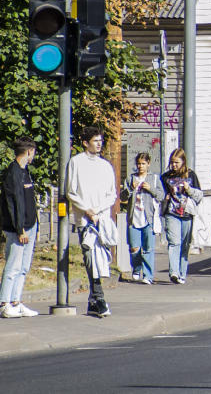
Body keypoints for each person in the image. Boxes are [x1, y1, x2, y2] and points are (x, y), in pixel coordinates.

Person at [67, 127, 118, 317]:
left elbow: (111, 194)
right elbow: (71, 191)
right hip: (85, 220)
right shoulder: (76, 162)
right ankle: (99, 297)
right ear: (85, 143)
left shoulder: (105, 166)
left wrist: (97, 210)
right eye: (95, 140)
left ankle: (93, 301)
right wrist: (88, 210)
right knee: (90, 258)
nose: (99, 144)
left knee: (102, 259)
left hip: (101, 218)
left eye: (100, 140)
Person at [1, 137, 40, 317]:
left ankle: (16, 302)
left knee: (23, 267)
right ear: (29, 151)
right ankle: (4, 304)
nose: (35, 154)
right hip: (19, 229)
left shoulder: (25, 171)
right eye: (34, 151)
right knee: (13, 267)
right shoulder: (13, 173)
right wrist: (20, 229)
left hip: (29, 226)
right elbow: (14, 202)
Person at [160, 148, 203, 284]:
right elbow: (160, 194)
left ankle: (182, 274)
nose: (174, 165)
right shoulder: (166, 177)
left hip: (187, 214)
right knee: (174, 242)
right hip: (171, 214)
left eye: (177, 162)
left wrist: (189, 189)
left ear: (183, 161)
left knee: (185, 245)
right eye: (172, 162)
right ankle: (174, 272)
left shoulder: (191, 176)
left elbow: (199, 196)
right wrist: (165, 197)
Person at [122, 152, 162, 284]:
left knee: (148, 248)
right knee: (134, 248)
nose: (141, 166)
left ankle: (148, 276)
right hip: (134, 218)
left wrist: (151, 189)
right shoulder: (130, 179)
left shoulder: (154, 178)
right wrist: (130, 189)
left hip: (149, 218)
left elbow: (161, 196)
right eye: (139, 164)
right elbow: (122, 198)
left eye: (143, 164)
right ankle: (137, 267)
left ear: (148, 164)